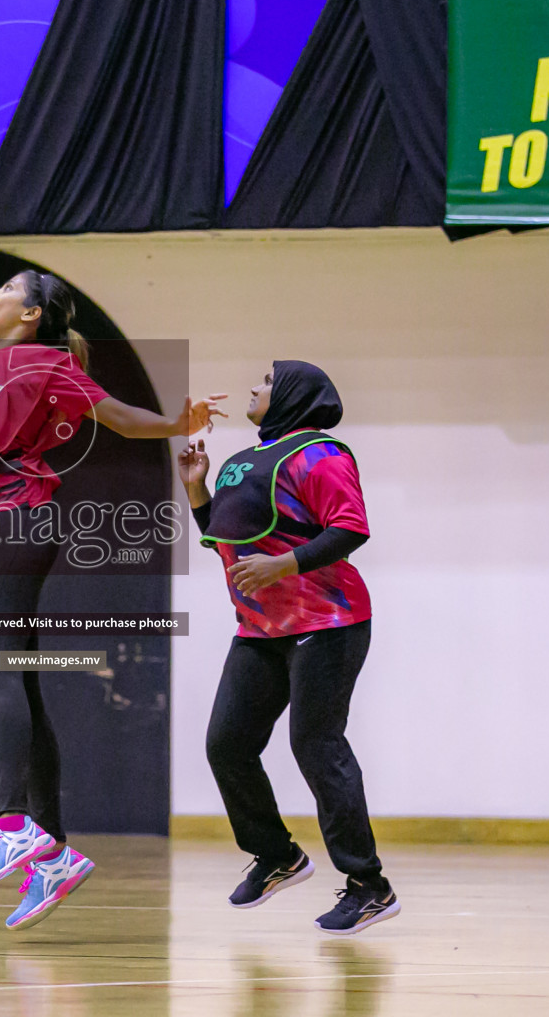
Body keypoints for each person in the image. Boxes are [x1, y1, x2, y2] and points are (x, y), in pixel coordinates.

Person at [0, 113, 226, 931]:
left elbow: (119, 416)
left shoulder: (46, 363)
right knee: (17, 674)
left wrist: (177, 421)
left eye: (6, 291)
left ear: (31, 317)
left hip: (23, 517)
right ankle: (52, 845)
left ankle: (15, 825)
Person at [180, 361, 399, 934]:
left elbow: (350, 527)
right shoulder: (243, 461)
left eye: (265, 382)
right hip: (259, 629)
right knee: (226, 745)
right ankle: (278, 856)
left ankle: (369, 886)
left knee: (315, 744)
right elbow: (229, 544)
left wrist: (285, 563)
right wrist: (196, 488)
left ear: (294, 396)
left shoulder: (322, 454)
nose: (253, 388)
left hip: (328, 622)